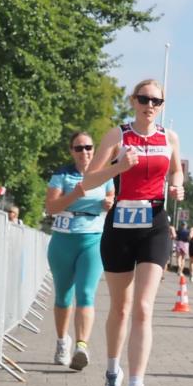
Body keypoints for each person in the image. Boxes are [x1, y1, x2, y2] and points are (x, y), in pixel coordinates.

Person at [83, 78, 184, 386]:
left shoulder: (169, 138)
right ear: (133, 101)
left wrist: (177, 188)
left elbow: (176, 174)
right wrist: (118, 167)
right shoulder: (118, 135)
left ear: (162, 105)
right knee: (121, 308)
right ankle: (113, 373)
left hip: (154, 225)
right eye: (144, 98)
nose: (149, 105)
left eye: (156, 100)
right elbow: (89, 182)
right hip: (120, 227)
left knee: (143, 306)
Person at [45, 132, 115, 370]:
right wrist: (75, 194)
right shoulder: (61, 176)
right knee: (64, 296)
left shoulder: (104, 174)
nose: (84, 152)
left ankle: (81, 346)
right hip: (63, 241)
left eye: (88, 147)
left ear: (94, 150)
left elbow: (110, 197)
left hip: (92, 240)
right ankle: (62, 341)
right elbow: (51, 207)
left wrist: (108, 203)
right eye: (79, 148)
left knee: (86, 293)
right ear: (71, 151)